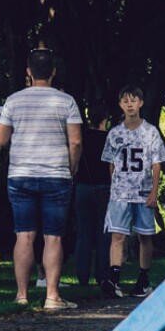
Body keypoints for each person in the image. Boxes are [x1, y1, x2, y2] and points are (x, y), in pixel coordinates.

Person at [0, 49, 83, 310]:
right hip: (56, 174)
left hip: (21, 174)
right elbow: (76, 141)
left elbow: (0, 140)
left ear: (28, 72)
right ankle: (52, 296)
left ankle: (21, 295)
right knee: (53, 237)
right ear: (53, 72)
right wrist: (72, 166)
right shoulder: (66, 102)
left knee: (24, 236)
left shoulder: (13, 101)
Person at [101, 84, 165, 298]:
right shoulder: (114, 133)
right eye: (125, 101)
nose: (130, 104)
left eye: (133, 100)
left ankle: (143, 278)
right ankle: (114, 278)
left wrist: (153, 192)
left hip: (143, 191)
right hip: (121, 192)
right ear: (120, 104)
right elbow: (110, 163)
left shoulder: (150, 132)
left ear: (140, 103)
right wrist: (116, 184)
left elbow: (156, 163)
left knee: (144, 236)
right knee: (117, 235)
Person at [73, 112, 112, 291]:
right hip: (104, 186)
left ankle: (82, 274)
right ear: (104, 120)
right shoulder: (109, 138)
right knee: (103, 233)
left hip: (83, 186)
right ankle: (102, 274)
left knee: (84, 233)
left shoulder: (83, 137)